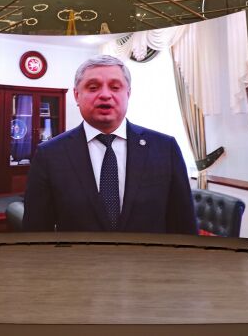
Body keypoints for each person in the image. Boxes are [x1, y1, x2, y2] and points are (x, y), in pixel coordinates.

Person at [22, 55, 195, 234]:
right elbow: (35, 232)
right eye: (93, 87)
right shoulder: (50, 155)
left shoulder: (165, 149)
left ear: (128, 94)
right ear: (77, 95)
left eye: (115, 87)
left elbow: (183, 226)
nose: (105, 95)